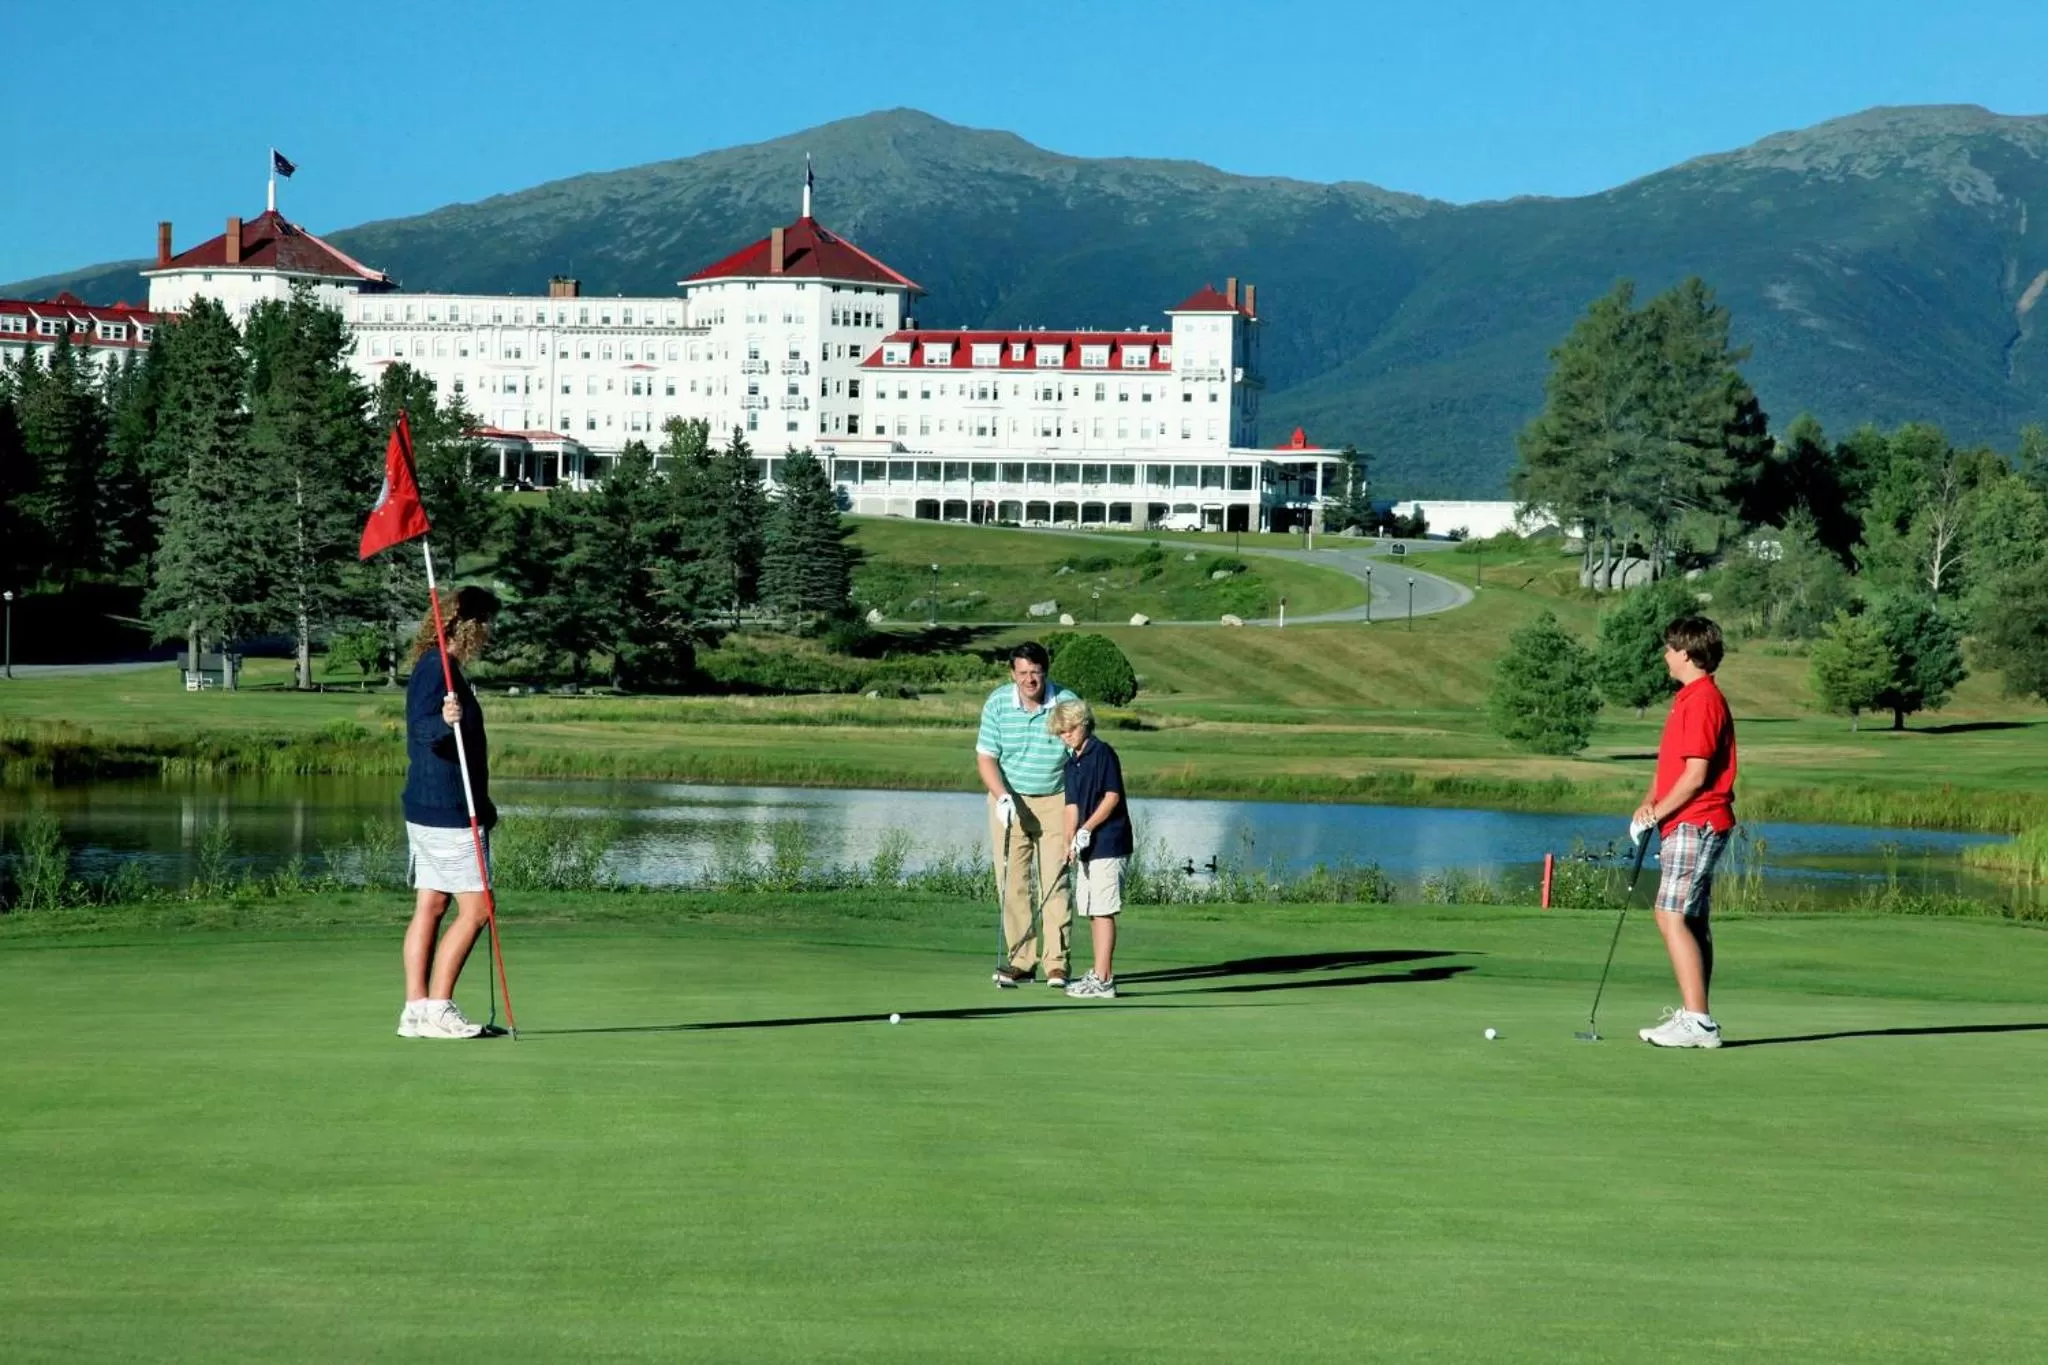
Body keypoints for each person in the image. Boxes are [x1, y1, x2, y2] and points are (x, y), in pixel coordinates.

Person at [396, 586, 502, 1040]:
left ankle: (416, 1011)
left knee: (433, 903)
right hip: (449, 810)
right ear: (472, 625)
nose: (491, 633)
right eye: (488, 623)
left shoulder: (436, 665)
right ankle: (438, 1008)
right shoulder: (439, 668)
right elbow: (423, 729)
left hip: (431, 805)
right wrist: (448, 720)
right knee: (478, 909)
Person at [1634, 614, 1739, 1050]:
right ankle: (1696, 1015)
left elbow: (1695, 776)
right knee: (1691, 919)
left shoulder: (1702, 701)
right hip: (1687, 820)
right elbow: (1672, 768)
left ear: (1688, 653)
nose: (1665, 655)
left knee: (1670, 914)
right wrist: (1647, 804)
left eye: (1670, 648)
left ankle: (1698, 1021)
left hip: (1697, 820)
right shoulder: (1688, 698)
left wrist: (1657, 813)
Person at [975, 642, 1079, 987]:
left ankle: (1056, 964)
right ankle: (1021, 960)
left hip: (1057, 799)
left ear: (1045, 672)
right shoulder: (998, 702)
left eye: (1035, 673)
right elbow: (987, 756)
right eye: (1022, 673)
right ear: (1012, 674)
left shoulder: (1067, 703)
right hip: (1010, 799)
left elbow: (1079, 755)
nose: (1029, 680)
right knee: (1011, 882)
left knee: (1054, 880)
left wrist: (1077, 807)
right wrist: (1001, 796)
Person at [1051, 699, 1132, 999]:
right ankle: (1099, 974)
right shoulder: (1071, 763)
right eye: (1061, 732)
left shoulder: (1103, 753)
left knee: (1104, 910)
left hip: (1109, 841)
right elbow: (1071, 806)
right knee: (1093, 911)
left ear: (1084, 724)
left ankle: (1104, 979)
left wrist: (1087, 829)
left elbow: (1112, 797)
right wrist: (1068, 841)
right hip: (1087, 846)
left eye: (1070, 729)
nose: (1066, 736)